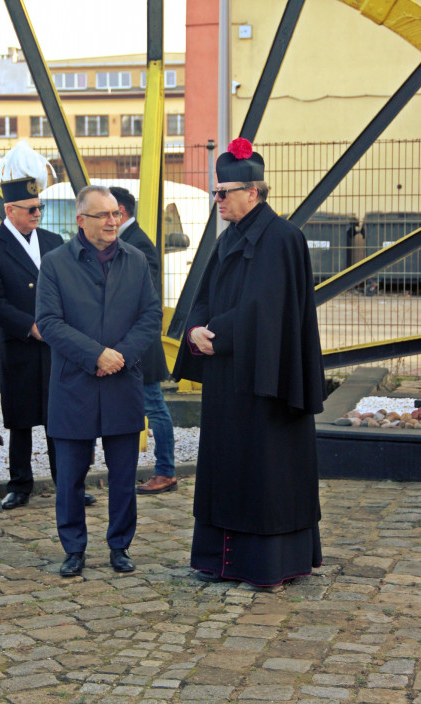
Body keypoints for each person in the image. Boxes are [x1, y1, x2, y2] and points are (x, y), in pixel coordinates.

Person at [173, 138, 327, 586]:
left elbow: (265, 309)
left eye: (223, 192)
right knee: (226, 465)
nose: (217, 200)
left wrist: (215, 336)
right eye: (215, 192)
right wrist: (195, 330)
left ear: (253, 192)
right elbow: (202, 295)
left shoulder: (282, 238)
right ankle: (221, 561)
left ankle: (267, 564)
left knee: (265, 471)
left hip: (269, 380)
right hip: (228, 377)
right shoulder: (229, 239)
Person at [36, 185, 162, 577]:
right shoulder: (55, 263)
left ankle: (120, 546)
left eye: (116, 214)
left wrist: (119, 355)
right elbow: (49, 322)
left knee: (124, 476)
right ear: (81, 220)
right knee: (71, 476)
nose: (112, 221)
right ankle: (73, 549)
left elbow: (151, 316)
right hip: (74, 385)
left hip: (123, 383)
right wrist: (96, 355)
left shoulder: (137, 260)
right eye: (103, 215)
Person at [0, 142, 93, 510]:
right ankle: (20, 483)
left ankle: (68, 483)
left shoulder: (55, 241)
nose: (38, 213)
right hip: (22, 344)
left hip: (58, 346)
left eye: (39, 207)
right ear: (10, 210)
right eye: (31, 209)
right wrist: (31, 326)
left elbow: (73, 287)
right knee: (22, 420)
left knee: (61, 417)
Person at [110, 186, 177, 494]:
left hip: (142, 347)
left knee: (155, 407)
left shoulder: (138, 244)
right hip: (127, 344)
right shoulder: (125, 240)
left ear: (120, 212)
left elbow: (143, 298)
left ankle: (166, 471)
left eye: (108, 211)